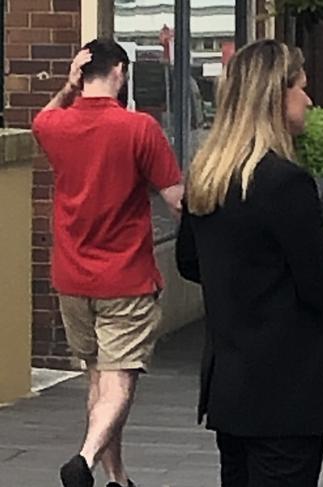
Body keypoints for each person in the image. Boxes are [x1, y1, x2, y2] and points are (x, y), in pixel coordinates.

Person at [175, 39, 323, 487]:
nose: (308, 99)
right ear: (275, 94)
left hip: (229, 383)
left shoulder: (206, 175)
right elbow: (319, 287)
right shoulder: (286, 183)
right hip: (286, 388)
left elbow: (188, 261)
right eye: (301, 88)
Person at [32, 39, 184, 487]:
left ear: (82, 73)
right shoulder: (140, 129)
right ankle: (82, 460)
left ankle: (117, 478)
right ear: (119, 71)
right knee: (120, 381)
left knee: (98, 380)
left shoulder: (53, 125)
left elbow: (42, 116)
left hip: (72, 277)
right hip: (126, 276)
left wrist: (66, 86)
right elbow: (177, 201)